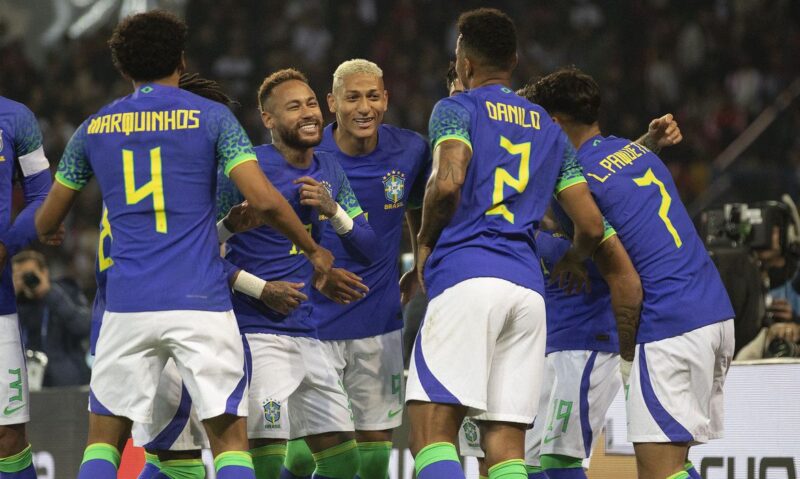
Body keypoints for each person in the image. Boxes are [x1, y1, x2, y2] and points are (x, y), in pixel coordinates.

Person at [34, 11, 333, 479]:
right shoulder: (212, 118)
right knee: (230, 442)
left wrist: (51, 229)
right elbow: (264, 200)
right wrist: (313, 250)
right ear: (181, 59)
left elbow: (47, 220)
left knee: (103, 442)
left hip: (126, 305)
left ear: (123, 68)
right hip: (200, 301)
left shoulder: (93, 128)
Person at [405, 8, 607, 479]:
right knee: (505, 447)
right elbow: (591, 225)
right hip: (528, 292)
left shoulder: (457, 108)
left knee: (431, 434)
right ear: (514, 61)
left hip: (468, 278)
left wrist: (426, 242)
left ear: (465, 64)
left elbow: (448, 181)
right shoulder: (550, 130)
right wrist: (573, 260)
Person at [523, 67, 734, 479]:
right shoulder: (632, 152)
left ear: (554, 123)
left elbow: (626, 282)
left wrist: (625, 358)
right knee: (674, 465)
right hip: (713, 313)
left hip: (669, 325)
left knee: (660, 472)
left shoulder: (574, 186)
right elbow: (603, 181)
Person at [216, 68, 378, 479]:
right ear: (268, 119)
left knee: (343, 462)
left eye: (310, 104)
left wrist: (333, 210)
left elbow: (368, 246)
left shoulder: (330, 170)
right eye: (293, 107)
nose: (308, 113)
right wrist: (261, 289)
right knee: (266, 464)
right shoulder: (245, 170)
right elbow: (199, 253)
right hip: (256, 334)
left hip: (308, 331)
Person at [282, 59, 431, 479]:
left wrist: (419, 258)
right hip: (313, 321)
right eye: (352, 98)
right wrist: (313, 272)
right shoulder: (306, 155)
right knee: (304, 456)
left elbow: (418, 205)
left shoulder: (411, 150)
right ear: (332, 103)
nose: (364, 108)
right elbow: (279, 228)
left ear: (386, 99)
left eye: (372, 97)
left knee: (375, 460)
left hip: (379, 318)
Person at [0, 95, 52, 479]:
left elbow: (42, 197)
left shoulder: (16, 117)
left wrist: (6, 247)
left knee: (8, 435)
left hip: (0, 302)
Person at [12, 250, 91, 387]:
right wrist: (8, 298)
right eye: (20, 276)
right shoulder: (13, 305)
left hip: (67, 383)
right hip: (25, 383)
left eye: (30, 274)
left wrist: (49, 293)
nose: (26, 280)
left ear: (44, 272)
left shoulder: (66, 292)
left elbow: (84, 327)